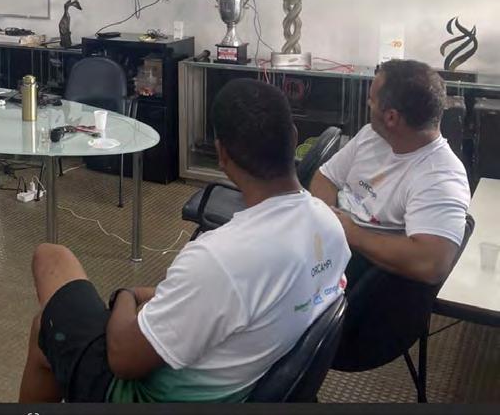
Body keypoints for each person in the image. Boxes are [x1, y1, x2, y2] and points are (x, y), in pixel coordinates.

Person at [19, 79, 350, 403]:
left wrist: (125, 295)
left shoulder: (219, 258)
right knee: (44, 328)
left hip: (144, 395)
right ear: (294, 136)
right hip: (248, 379)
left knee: (51, 257)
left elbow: (123, 360)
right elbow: (244, 298)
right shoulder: (331, 226)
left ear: (221, 154)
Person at [310, 59, 470, 286]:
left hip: (362, 274)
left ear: (391, 117)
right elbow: (325, 178)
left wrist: (351, 233)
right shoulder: (371, 136)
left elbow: (431, 263)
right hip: (328, 246)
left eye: (372, 100)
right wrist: (325, 224)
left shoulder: (441, 177)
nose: (368, 103)